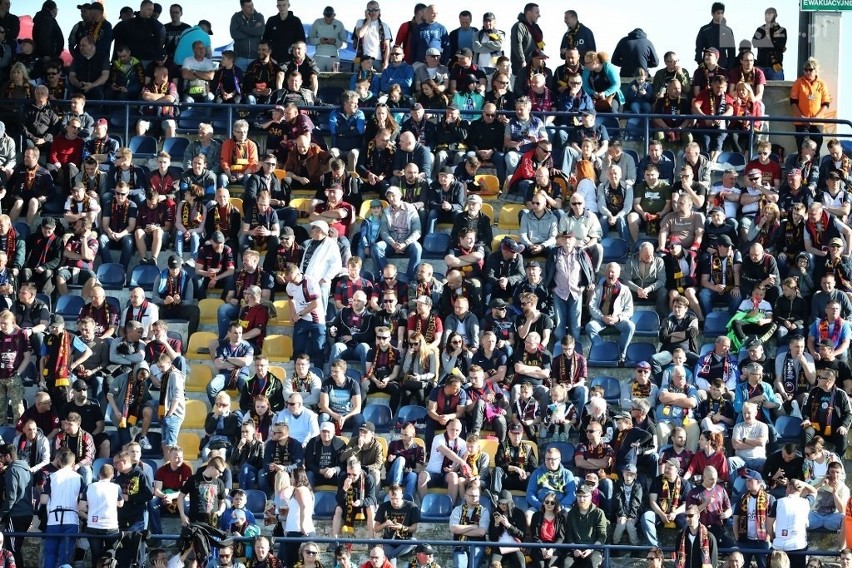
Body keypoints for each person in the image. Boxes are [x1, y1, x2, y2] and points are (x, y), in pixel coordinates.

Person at [41, 448, 85, 568]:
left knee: (50, 554)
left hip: (53, 519)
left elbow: (43, 500)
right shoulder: (79, 478)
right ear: (73, 463)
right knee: (65, 556)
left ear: (59, 461)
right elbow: (82, 499)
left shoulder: (52, 477)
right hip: (71, 519)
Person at [641, 458, 692, 547]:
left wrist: (674, 513)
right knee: (646, 517)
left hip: (677, 513)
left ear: (677, 470)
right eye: (666, 467)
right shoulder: (657, 480)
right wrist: (661, 514)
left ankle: (686, 546)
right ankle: (655, 546)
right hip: (659, 512)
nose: (666, 470)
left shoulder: (685, 484)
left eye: (669, 468)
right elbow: (652, 501)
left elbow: (685, 505)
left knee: (689, 520)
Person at [769, 479, 816, 568]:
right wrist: (803, 484)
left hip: (779, 545)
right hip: (798, 546)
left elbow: (768, 524)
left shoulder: (778, 502)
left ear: (789, 488)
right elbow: (813, 491)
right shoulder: (806, 502)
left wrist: (773, 537)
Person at [0, 443, 33, 568]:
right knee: (16, 548)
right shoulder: (26, 469)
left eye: (1, 457)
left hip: (16, 514)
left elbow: (11, 498)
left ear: (8, 456)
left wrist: (1, 515)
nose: (0, 460)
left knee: (13, 550)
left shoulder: (12, 470)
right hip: (26, 513)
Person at [790, 57, 831, 150]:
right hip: (801, 122)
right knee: (803, 146)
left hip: (817, 122)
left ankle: (815, 164)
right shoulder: (798, 83)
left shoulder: (822, 84)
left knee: (817, 145)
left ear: (816, 71)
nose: (808, 72)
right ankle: (801, 164)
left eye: (810, 70)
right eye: (805, 70)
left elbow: (826, 103)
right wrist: (801, 117)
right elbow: (793, 102)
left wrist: (817, 117)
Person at [178, 456, 228, 526]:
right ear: (212, 467)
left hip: (213, 523)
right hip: (195, 522)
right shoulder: (193, 479)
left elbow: (222, 501)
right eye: (220, 472)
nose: (221, 474)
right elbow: (180, 497)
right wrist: (182, 515)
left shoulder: (219, 482)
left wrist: (219, 512)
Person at [449, 484, 489, 568]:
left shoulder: (484, 511)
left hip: (478, 545)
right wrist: (472, 527)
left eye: (476, 496)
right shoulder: (457, 510)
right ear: (465, 496)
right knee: (460, 565)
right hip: (459, 545)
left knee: (474, 565)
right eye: (471, 495)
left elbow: (481, 532)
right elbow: (453, 528)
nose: (474, 498)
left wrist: (462, 529)